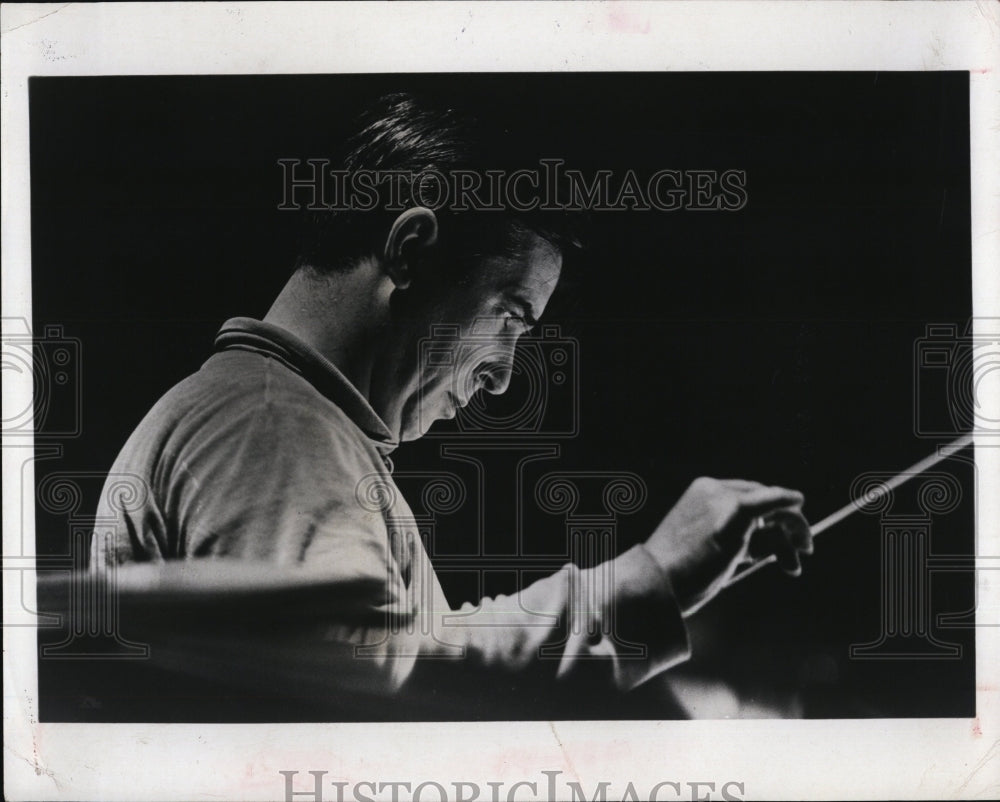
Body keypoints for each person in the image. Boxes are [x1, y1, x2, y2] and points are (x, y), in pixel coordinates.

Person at [90, 92, 812, 715]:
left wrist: (651, 588)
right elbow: (370, 702)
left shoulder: (276, 422)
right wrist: (648, 576)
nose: (502, 379)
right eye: (511, 317)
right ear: (410, 250)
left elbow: (398, 658)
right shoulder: (269, 427)